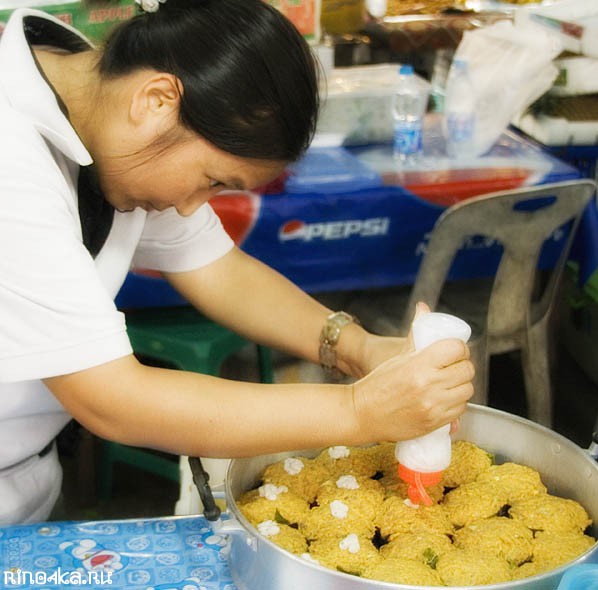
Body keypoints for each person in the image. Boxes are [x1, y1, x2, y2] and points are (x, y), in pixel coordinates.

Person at [0, 0, 474, 525]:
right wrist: (361, 410)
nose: (188, 208)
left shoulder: (103, 108)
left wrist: (359, 349)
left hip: (29, 478)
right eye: (213, 180)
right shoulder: (11, 157)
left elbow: (220, 270)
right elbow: (112, 399)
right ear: (157, 100)